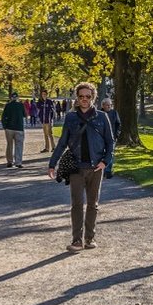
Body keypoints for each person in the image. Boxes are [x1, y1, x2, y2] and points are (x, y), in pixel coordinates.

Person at [48, 81, 116, 251]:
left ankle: (90, 239)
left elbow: (110, 141)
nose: (84, 99)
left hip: (96, 168)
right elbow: (63, 142)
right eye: (81, 96)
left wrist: (105, 161)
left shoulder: (102, 116)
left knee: (93, 204)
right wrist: (52, 163)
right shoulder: (71, 117)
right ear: (77, 98)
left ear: (93, 97)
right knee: (77, 204)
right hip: (76, 167)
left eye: (88, 96)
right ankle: (77, 240)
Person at [2, 90, 27, 168]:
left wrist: (5, 126)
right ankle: (18, 162)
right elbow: (25, 115)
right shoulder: (21, 105)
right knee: (19, 145)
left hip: (9, 128)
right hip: (19, 127)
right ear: (17, 98)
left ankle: (9, 161)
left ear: (11, 98)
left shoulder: (8, 105)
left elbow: (3, 117)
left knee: (9, 145)